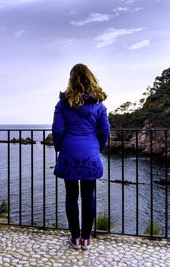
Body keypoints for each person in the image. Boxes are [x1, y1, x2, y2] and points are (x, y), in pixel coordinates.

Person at [52, 63, 110, 250]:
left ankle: (75, 238)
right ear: (91, 79)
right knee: (89, 195)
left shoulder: (62, 104)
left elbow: (58, 130)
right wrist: (97, 148)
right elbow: (104, 131)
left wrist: (60, 148)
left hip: (69, 152)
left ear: (71, 80)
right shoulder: (99, 105)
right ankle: (86, 240)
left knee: (71, 196)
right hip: (91, 153)